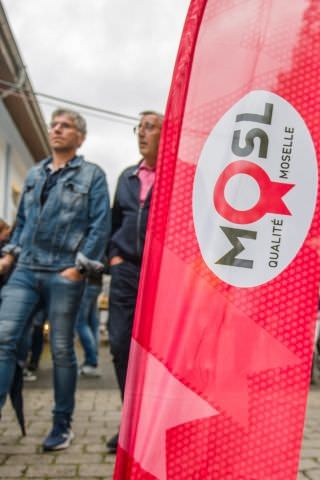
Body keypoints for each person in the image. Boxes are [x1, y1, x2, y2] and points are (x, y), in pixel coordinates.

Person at [0, 108, 110, 451]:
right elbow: (22, 222)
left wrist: (79, 267)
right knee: (3, 339)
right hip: (27, 268)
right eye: (54, 125)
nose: (57, 130)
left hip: (65, 270)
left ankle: (62, 427)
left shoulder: (92, 175)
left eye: (66, 126)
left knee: (62, 349)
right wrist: (10, 254)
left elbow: (99, 224)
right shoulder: (34, 173)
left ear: (80, 137)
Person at [106, 110, 163, 452]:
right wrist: (113, 256)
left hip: (160, 271)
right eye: (138, 127)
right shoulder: (127, 176)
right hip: (125, 268)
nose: (141, 133)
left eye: (149, 127)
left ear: (164, 133)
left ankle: (154, 422)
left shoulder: (176, 175)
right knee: (119, 344)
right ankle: (131, 421)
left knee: (156, 350)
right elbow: (116, 220)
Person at [76, 270, 103, 377]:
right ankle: (92, 361)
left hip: (87, 281)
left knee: (80, 323)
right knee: (93, 324)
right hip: (96, 282)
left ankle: (91, 361)